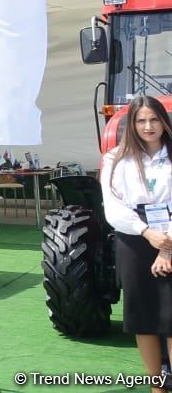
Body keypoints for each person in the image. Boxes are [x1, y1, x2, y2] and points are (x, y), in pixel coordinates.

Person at [101, 95, 172, 393]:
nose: (148, 126)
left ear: (164, 122)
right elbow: (114, 206)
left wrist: (166, 246)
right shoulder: (115, 159)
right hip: (134, 239)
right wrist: (146, 233)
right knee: (142, 317)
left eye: (154, 119)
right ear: (132, 124)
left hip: (170, 235)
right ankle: (157, 386)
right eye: (141, 120)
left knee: (171, 317)